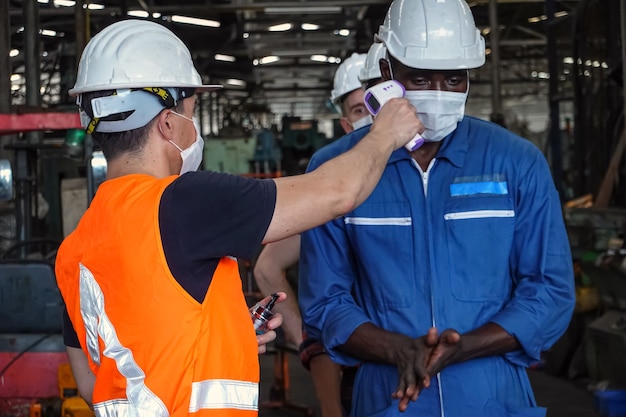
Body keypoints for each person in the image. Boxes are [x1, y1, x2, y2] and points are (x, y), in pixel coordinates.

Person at [53, 19, 423, 416]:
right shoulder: (185, 201)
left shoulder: (74, 249)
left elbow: (96, 379)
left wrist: (220, 335)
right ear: (166, 122)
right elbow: (337, 193)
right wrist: (385, 133)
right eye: (191, 112)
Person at [298, 0, 576, 416]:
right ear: (389, 74)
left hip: (493, 395)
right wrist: (394, 348)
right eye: (421, 78)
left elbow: (550, 290)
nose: (439, 93)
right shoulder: (337, 170)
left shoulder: (516, 162)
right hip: (391, 397)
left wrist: (469, 346)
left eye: (453, 79)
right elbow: (324, 300)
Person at [253, 51, 373, 417]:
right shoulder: (330, 196)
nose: (371, 116)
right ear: (345, 124)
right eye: (358, 109)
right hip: (358, 369)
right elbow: (266, 269)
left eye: (379, 101)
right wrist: (306, 339)